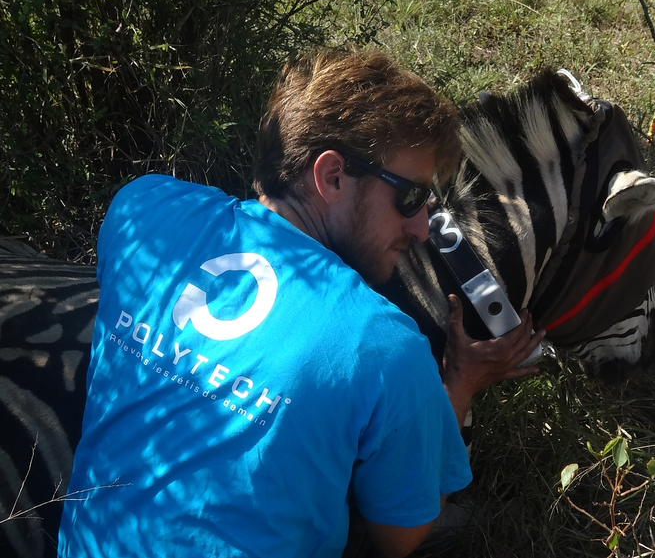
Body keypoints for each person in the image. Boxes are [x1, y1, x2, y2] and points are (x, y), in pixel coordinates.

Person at [57, 49, 545, 558]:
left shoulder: (140, 209)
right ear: (332, 176)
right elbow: (400, 535)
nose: (422, 227)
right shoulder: (384, 344)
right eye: (410, 197)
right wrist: (461, 385)